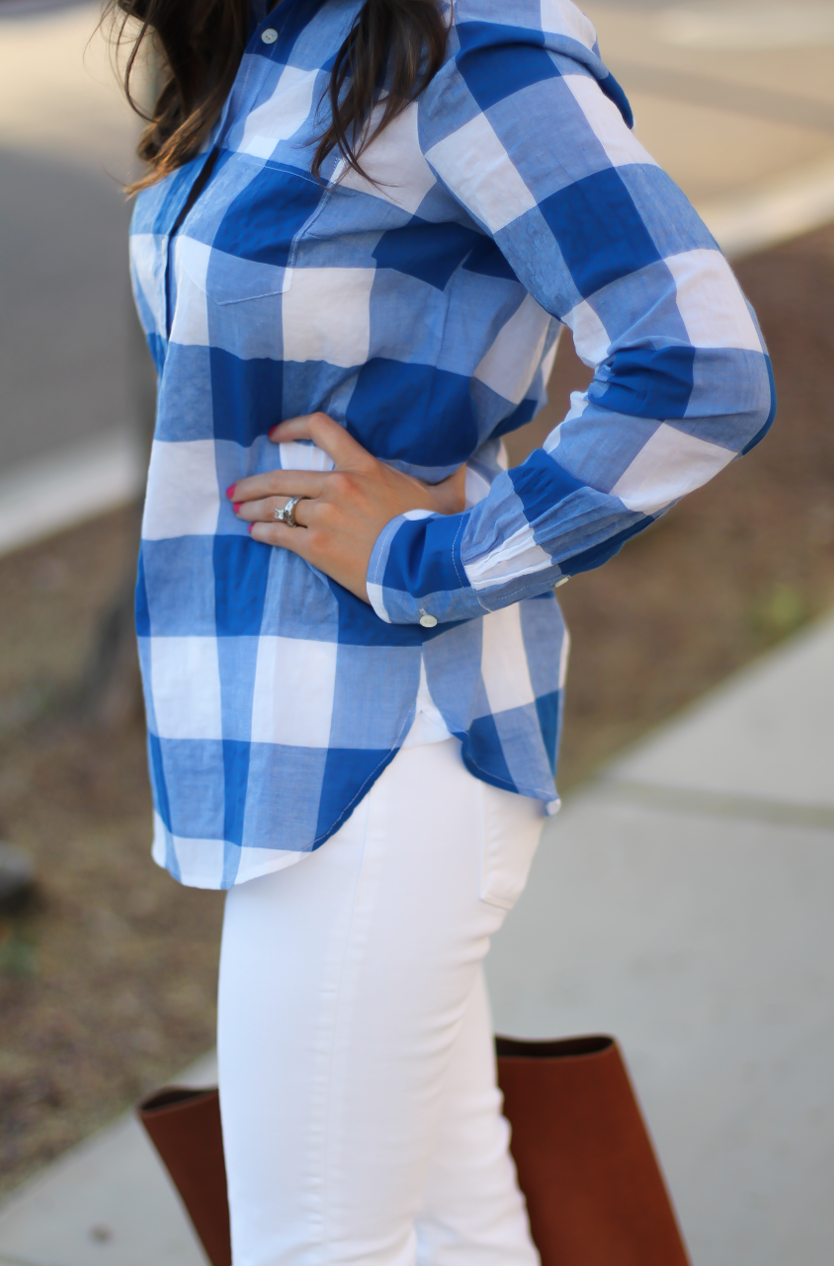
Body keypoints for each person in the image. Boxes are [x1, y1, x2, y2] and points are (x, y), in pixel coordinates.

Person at [115, 0, 774, 1260]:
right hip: (293, 736)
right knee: (460, 1238)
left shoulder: (468, 49)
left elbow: (698, 359)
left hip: (383, 744)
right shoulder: (268, 37)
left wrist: (436, 552)